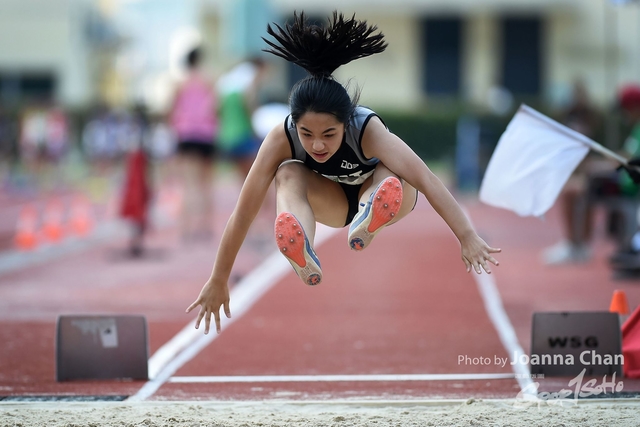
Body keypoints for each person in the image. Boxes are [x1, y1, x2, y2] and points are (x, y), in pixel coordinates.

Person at [187, 12, 501, 334]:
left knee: (390, 169)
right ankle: (302, 245)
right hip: (335, 205)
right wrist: (218, 279)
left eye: (329, 134)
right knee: (288, 173)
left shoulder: (368, 129)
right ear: (294, 123)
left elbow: (427, 180)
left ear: (346, 121)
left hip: (397, 194)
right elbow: (244, 212)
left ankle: (372, 206)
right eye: (306, 133)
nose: (317, 145)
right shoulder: (281, 137)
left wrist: (466, 236)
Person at [541, 80, 602, 265]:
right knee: (569, 191)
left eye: (579, 94)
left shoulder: (592, 118)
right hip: (572, 170)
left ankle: (582, 244)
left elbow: (596, 153)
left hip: (590, 171)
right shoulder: (566, 117)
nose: (577, 99)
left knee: (580, 193)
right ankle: (572, 243)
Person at [169, 47, 219, 241]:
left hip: (187, 135)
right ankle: (205, 227)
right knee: (207, 184)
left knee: (189, 184)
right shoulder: (210, 80)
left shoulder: (180, 83)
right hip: (207, 135)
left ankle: (186, 229)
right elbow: (216, 107)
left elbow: (171, 110)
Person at [216, 57, 269, 179]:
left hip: (228, 136)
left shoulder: (226, 80)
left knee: (245, 178)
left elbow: (217, 109)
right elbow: (249, 102)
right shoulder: (250, 76)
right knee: (258, 177)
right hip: (245, 133)